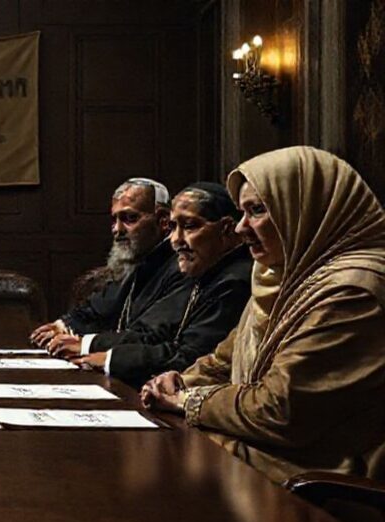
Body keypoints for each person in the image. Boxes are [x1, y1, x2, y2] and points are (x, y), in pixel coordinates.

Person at [142, 146, 385, 484]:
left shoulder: (352, 291)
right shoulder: (283, 273)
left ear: (304, 209)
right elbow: (224, 360)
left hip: (322, 478)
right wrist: (179, 381)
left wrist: (187, 400)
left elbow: (280, 411)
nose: (241, 228)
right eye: (242, 212)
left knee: (161, 466)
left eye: (257, 210)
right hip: (267, 451)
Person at [51, 183, 253, 387]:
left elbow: (189, 354)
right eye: (174, 227)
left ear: (227, 230)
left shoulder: (233, 281)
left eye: (190, 226)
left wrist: (108, 357)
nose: (175, 240)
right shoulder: (204, 268)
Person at [29, 178, 188, 372]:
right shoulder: (140, 260)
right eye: (114, 220)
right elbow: (99, 307)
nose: (117, 230)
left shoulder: (181, 267)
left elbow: (150, 335)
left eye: (129, 218)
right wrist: (62, 325)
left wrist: (86, 344)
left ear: (163, 220)